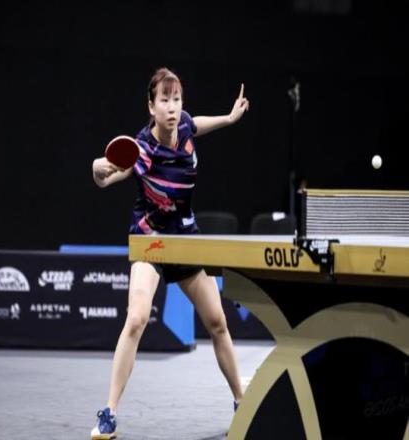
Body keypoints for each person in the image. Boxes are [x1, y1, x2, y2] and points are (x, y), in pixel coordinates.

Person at [90, 67, 250, 439]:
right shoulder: (142, 148)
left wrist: (229, 118)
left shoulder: (186, 127)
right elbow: (108, 178)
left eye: (177, 99)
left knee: (218, 322)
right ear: (152, 106)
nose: (172, 107)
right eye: (165, 100)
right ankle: (109, 413)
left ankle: (242, 401)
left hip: (184, 238)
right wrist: (97, 169)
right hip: (150, 240)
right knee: (136, 319)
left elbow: (200, 123)